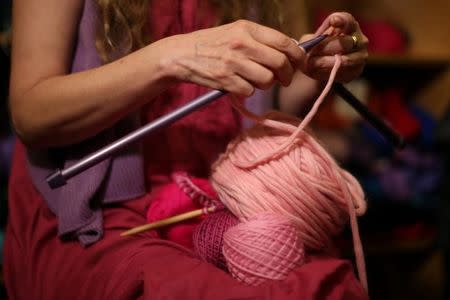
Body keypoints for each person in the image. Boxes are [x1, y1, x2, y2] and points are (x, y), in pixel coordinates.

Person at [4, 0, 369, 299]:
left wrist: (315, 63)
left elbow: (273, 98)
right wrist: (171, 57)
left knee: (328, 285)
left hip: (219, 198)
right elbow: (31, 114)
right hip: (100, 213)